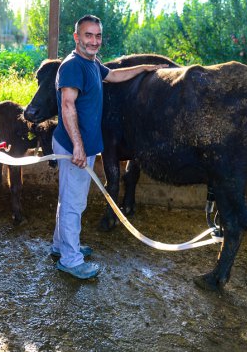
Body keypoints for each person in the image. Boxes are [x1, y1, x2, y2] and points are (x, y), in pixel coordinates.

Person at [50, 14, 167, 279]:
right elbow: (67, 106)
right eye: (88, 35)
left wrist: (142, 69)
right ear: (76, 37)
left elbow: (112, 75)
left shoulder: (92, 63)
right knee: (73, 202)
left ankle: (60, 246)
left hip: (82, 143)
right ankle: (70, 259)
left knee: (68, 198)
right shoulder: (72, 66)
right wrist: (78, 147)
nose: (93, 41)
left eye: (98, 36)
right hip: (73, 144)